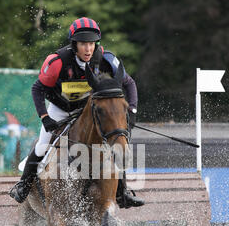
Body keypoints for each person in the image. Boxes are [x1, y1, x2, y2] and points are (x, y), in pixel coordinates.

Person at [9, 17, 144, 208]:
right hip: (60, 108)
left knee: (116, 143)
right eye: (83, 44)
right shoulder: (57, 62)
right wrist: (44, 117)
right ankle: (24, 184)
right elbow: (37, 89)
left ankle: (122, 192)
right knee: (42, 144)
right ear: (74, 45)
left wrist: (133, 110)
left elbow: (129, 84)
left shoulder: (107, 60)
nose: (88, 49)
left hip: (87, 109)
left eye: (91, 44)